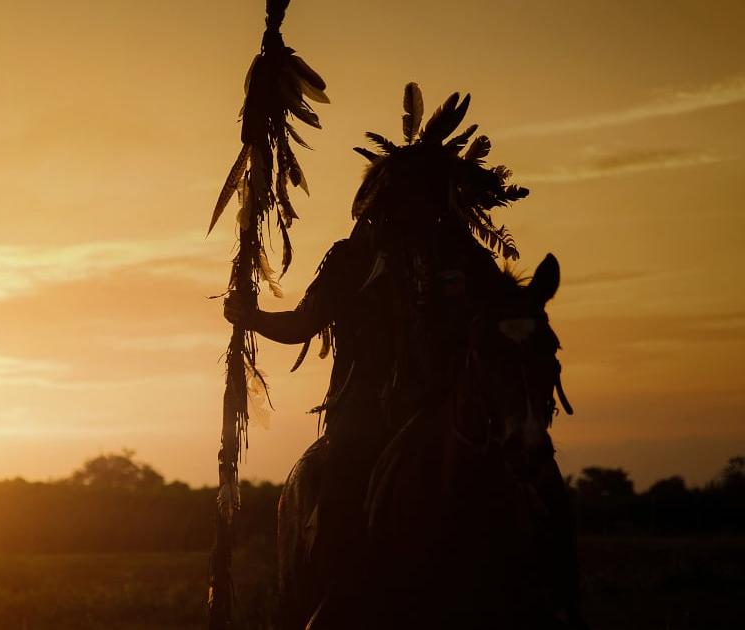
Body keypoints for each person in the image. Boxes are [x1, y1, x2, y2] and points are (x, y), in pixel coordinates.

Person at [226, 85, 582, 627]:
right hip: (366, 414)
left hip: (453, 408)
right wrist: (249, 317)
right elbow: (303, 324)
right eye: (413, 195)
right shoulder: (353, 258)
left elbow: (505, 315)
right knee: (342, 481)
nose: (424, 208)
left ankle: (562, 599)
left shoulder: (465, 255)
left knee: (542, 482)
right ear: (387, 198)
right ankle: (334, 601)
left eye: (433, 195)